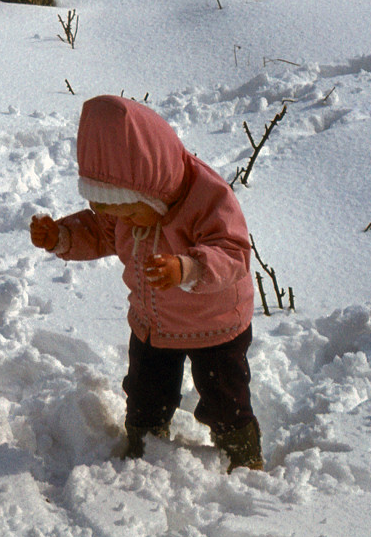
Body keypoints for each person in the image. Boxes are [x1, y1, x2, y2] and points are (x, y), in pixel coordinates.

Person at [29, 95, 263, 471]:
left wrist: (187, 269)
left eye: (130, 213)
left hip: (214, 324)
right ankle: (144, 441)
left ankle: (242, 453)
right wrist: (61, 236)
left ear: (153, 193)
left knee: (224, 397)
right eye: (110, 211)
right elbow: (100, 230)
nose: (123, 222)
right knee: (145, 391)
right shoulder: (126, 206)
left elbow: (233, 252)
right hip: (153, 322)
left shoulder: (208, 198)